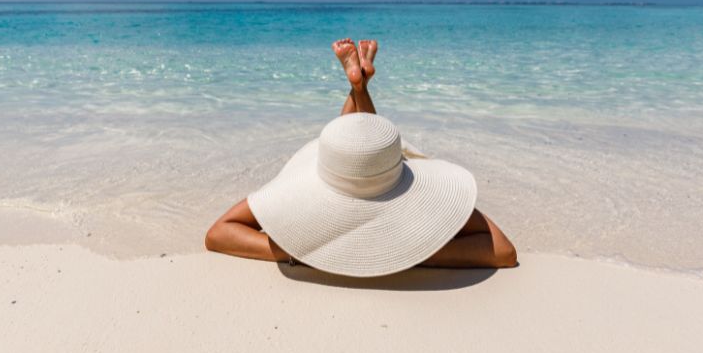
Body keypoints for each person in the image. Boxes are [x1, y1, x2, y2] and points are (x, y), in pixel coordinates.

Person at [205, 39, 517, 276]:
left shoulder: (319, 187)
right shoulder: (400, 185)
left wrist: (296, 252)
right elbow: (503, 251)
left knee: (356, 149)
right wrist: (420, 251)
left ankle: (358, 86)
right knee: (362, 148)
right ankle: (359, 87)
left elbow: (219, 233)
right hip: (390, 186)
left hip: (356, 181)